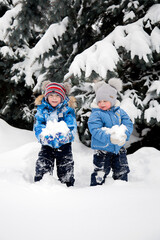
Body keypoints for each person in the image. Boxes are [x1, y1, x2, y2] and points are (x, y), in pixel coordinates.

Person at [88, 78, 133, 186]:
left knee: (122, 169)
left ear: (112, 100)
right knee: (100, 171)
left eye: (105, 101)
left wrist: (124, 136)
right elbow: (95, 130)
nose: (101, 104)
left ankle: (122, 187)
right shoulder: (96, 114)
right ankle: (95, 190)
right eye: (99, 101)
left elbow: (128, 124)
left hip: (118, 148)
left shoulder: (119, 112)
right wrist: (110, 138)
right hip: (102, 149)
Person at [34, 81, 77, 187]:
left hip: (64, 145)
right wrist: (42, 135)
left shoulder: (67, 110)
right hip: (47, 144)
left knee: (65, 165)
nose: (54, 98)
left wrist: (66, 136)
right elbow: (38, 125)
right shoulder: (42, 110)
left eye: (57, 95)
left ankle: (67, 185)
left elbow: (72, 126)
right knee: (43, 163)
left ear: (62, 97)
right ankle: (41, 183)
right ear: (46, 96)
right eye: (51, 95)